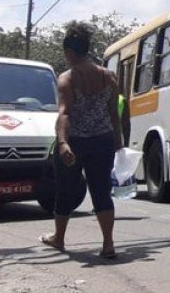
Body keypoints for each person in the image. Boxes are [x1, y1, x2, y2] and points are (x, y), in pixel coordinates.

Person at [41, 22, 122, 259]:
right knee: (101, 191)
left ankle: (59, 238)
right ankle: (108, 244)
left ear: (69, 52)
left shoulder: (67, 78)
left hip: (75, 142)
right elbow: (114, 113)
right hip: (103, 141)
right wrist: (118, 140)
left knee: (65, 191)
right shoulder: (109, 77)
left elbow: (64, 113)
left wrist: (63, 143)